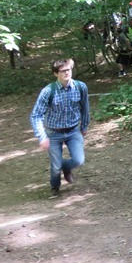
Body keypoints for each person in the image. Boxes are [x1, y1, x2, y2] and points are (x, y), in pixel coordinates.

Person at [30, 59, 90, 197]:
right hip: (53, 133)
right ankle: (55, 188)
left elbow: (85, 108)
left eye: (68, 69)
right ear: (55, 74)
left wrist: (84, 126)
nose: (66, 73)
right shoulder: (47, 91)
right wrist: (42, 136)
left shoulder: (81, 87)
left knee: (79, 160)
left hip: (73, 130)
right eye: (63, 71)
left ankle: (66, 167)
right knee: (55, 166)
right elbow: (36, 115)